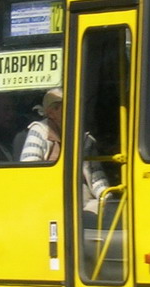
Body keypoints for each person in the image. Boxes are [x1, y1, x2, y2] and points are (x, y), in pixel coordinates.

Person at [19, 87, 110, 215]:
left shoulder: (85, 139)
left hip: (84, 201)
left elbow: (96, 175)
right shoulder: (39, 131)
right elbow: (29, 170)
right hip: (50, 201)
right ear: (51, 112)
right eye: (62, 107)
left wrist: (105, 196)